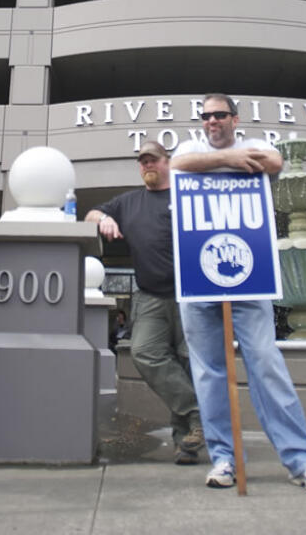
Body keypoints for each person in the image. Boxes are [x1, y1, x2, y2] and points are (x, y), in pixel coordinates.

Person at [170, 94, 306, 494]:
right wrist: (227, 162)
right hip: (198, 273)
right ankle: (224, 459)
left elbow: (274, 162)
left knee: (266, 364)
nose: (212, 122)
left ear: (234, 118)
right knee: (210, 373)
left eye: (219, 115)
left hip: (248, 275)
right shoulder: (191, 148)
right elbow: (178, 164)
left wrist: (233, 157)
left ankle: (303, 461)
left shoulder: (256, 145)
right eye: (206, 116)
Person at [85, 141, 204, 465]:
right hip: (150, 295)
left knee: (186, 365)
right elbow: (92, 212)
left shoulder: (186, 194)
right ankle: (198, 415)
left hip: (190, 294)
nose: (147, 166)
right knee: (144, 353)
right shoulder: (129, 202)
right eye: (142, 162)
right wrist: (102, 219)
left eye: (153, 160)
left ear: (168, 162)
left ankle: (187, 443)